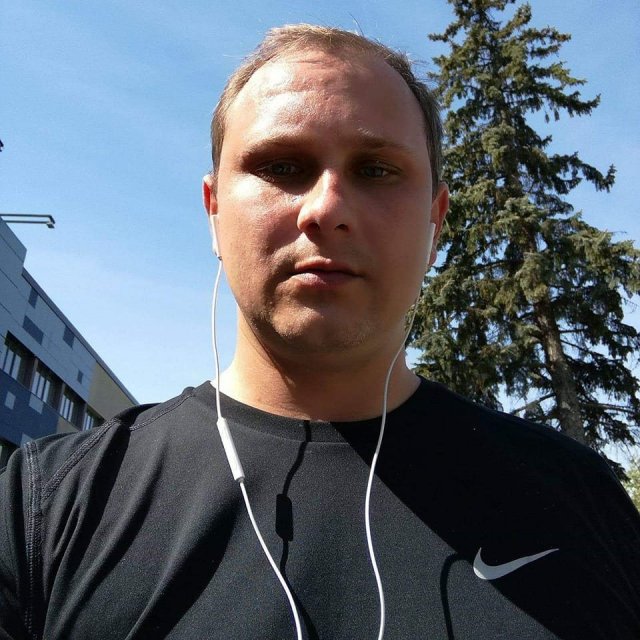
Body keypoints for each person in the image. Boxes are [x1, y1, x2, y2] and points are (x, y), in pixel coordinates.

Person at [1, 24, 639, 640]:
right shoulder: (44, 508)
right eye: (282, 165)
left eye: (376, 170)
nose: (327, 208)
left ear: (436, 221)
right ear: (214, 210)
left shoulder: (584, 505)